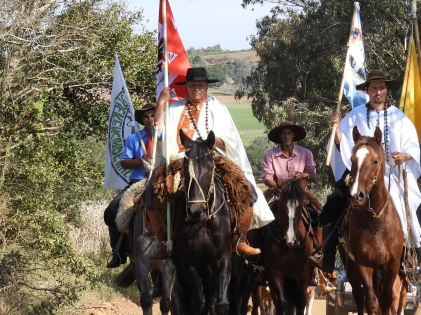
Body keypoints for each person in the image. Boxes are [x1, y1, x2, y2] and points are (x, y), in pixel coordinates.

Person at [154, 67, 273, 258]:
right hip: (180, 160)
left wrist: (209, 142)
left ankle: (238, 238)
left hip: (214, 159)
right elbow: (158, 129)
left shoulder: (218, 108)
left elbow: (231, 139)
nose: (196, 89)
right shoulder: (173, 108)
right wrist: (160, 103)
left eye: (200, 85)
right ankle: (163, 240)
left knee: (247, 191)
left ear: (207, 86)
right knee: (154, 191)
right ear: (186, 87)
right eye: (192, 85)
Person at [319, 70, 421, 275]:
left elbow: (413, 147)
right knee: (334, 201)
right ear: (366, 90)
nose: (378, 91)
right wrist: (337, 131)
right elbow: (343, 147)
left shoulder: (399, 117)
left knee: (412, 203)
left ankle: (406, 254)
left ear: (386, 90)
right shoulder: (354, 115)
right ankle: (326, 254)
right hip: (360, 176)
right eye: (374, 87)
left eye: (382, 87)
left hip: (391, 174)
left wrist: (405, 156)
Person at [104, 102, 158, 268]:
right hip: (138, 182)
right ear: (142, 119)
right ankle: (119, 253)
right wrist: (140, 160)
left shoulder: (164, 136)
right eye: (146, 116)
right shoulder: (135, 139)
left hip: (161, 180)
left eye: (152, 115)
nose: (149, 119)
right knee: (111, 210)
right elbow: (124, 163)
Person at [262, 121, 321, 265]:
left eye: (289, 133)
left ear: (294, 135)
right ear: (279, 136)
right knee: (258, 215)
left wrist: (303, 175)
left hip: (300, 192)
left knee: (319, 213)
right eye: (284, 133)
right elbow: (267, 177)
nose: (286, 136)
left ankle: (318, 252)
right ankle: (258, 255)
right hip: (278, 192)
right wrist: (276, 186)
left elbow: (312, 175)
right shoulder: (271, 155)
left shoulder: (305, 153)